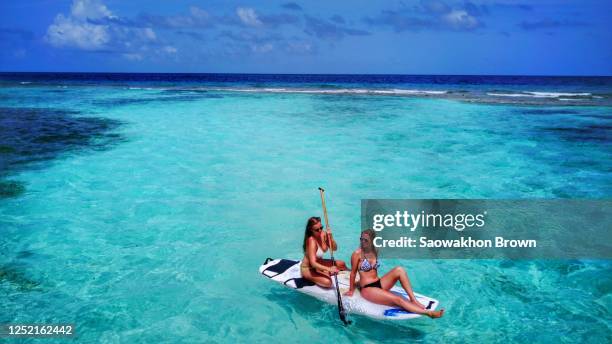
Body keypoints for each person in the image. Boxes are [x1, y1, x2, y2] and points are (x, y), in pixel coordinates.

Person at [344, 229, 444, 318]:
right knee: (398, 300)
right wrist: (351, 290)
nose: (363, 242)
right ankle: (428, 313)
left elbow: (373, 272)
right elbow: (353, 273)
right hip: (368, 289)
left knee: (399, 270)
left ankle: (413, 300)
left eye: (366, 240)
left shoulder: (375, 251)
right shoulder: (357, 254)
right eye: (361, 239)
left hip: (379, 283)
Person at [300, 216, 347, 288]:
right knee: (328, 282)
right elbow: (313, 263)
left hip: (320, 263)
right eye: (316, 229)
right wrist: (329, 269)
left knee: (342, 264)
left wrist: (331, 237)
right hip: (309, 269)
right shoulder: (311, 240)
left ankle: (323, 272)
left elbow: (334, 248)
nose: (320, 230)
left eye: (321, 228)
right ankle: (323, 273)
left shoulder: (323, 234)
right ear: (311, 230)